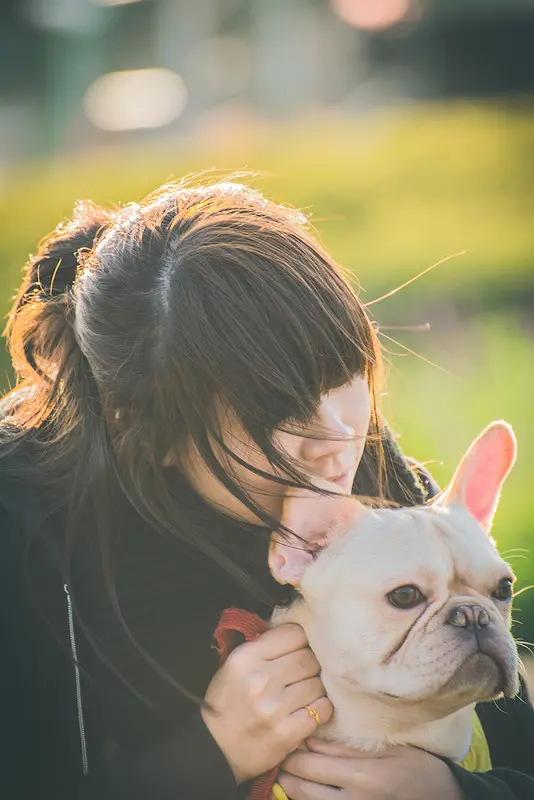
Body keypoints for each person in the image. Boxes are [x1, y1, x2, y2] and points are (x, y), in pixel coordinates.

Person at [0, 178, 532, 800]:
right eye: (274, 412)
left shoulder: (366, 482)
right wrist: (211, 753)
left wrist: (454, 790)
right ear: (150, 435)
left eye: (341, 374)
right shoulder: (24, 530)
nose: (335, 435)